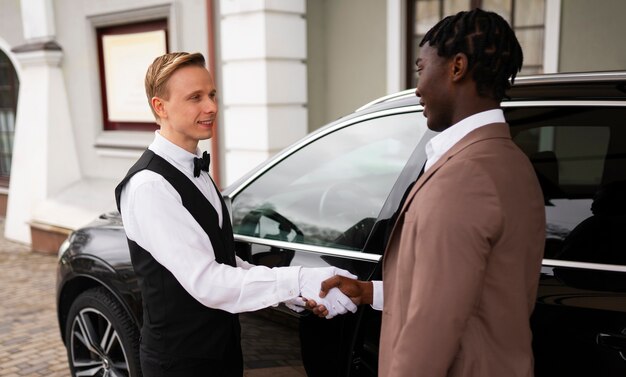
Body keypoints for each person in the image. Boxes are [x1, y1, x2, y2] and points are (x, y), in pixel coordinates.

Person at [309, 9, 546, 377]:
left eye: (422, 69)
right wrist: (370, 292)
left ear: (457, 67)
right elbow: (468, 292)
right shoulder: (511, 161)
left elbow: (433, 327)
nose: (418, 87)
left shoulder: (466, 176)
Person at [114, 52, 356, 377]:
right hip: (180, 364)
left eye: (211, 94)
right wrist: (297, 279)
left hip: (222, 356)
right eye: (195, 97)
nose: (211, 107)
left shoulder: (192, 169)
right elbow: (208, 282)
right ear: (160, 107)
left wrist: (290, 294)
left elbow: (223, 261)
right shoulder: (149, 186)